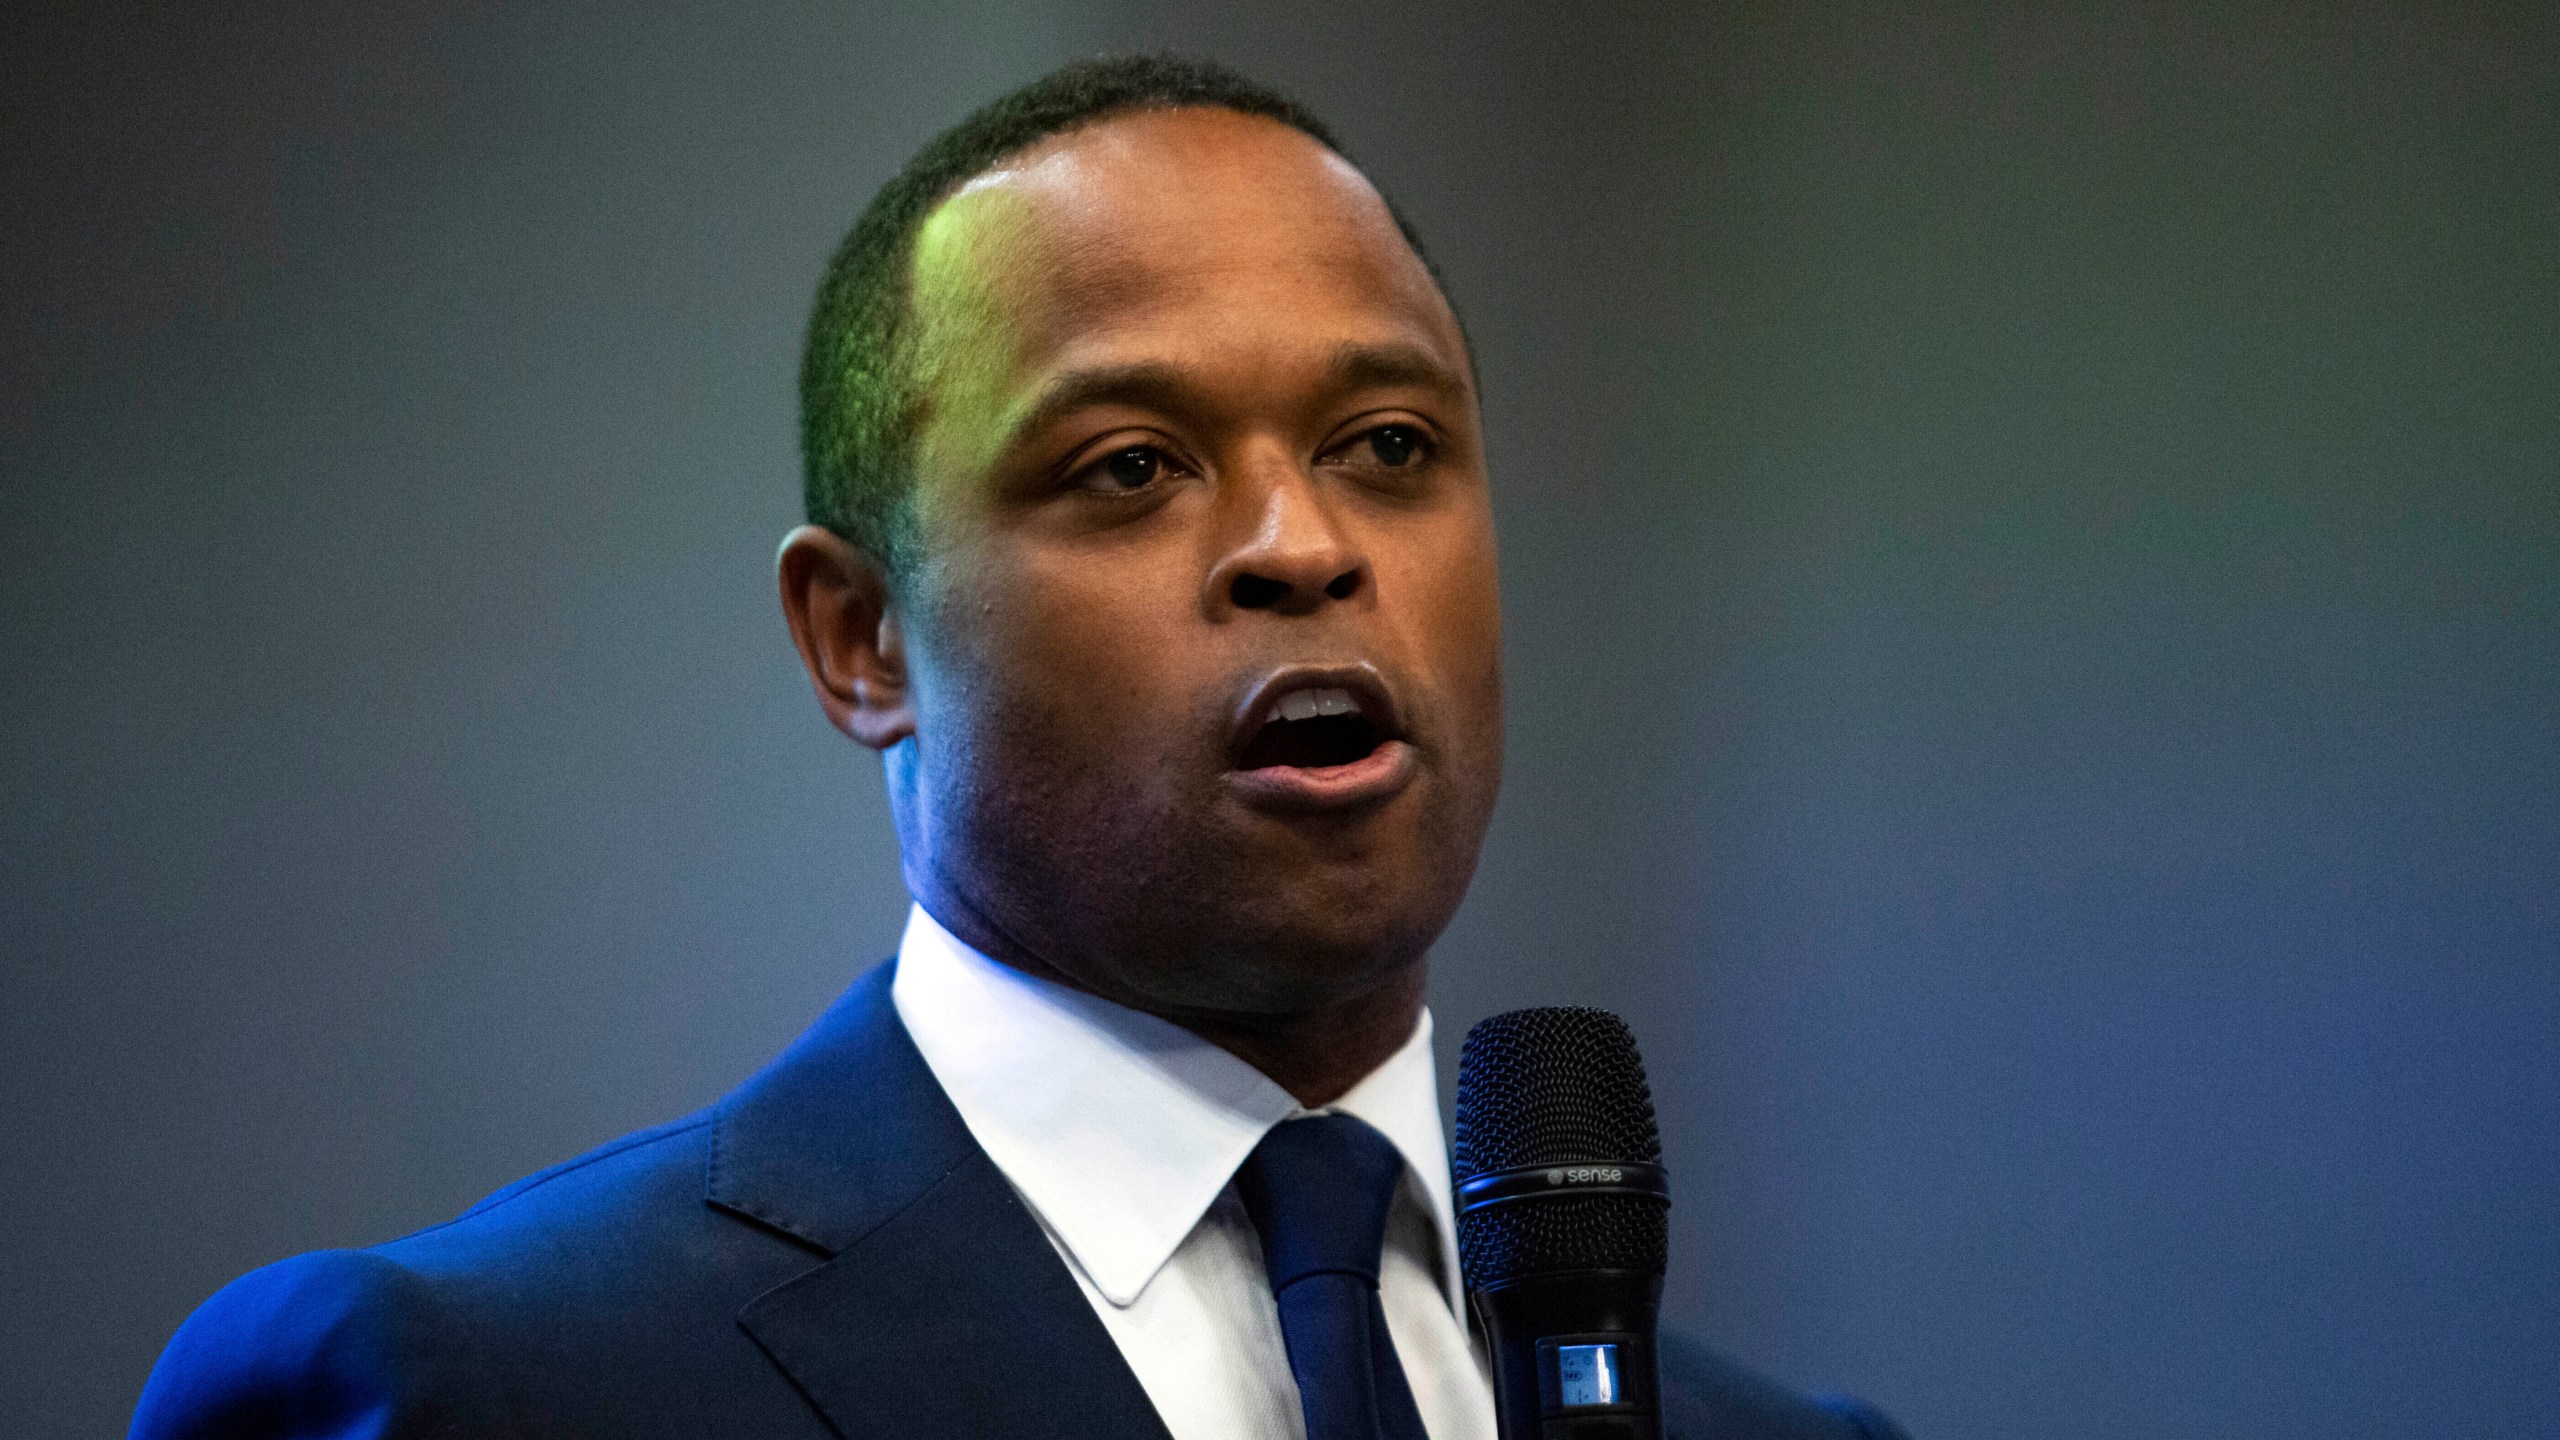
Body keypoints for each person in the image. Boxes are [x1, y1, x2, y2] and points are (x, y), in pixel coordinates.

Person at [132, 55, 1906, 1440]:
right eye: (1131, 466)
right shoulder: (484, 1395)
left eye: (1385, 443)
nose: (1304, 541)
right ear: (862, 638)